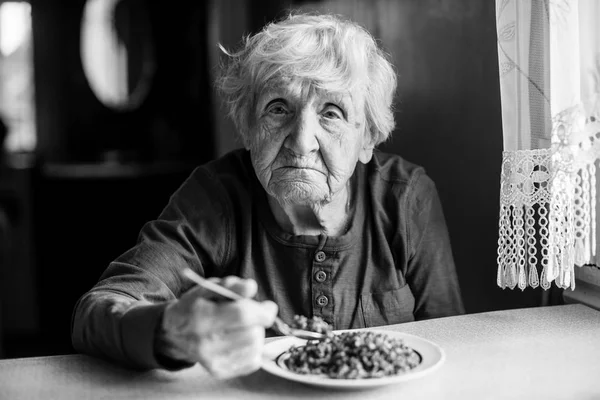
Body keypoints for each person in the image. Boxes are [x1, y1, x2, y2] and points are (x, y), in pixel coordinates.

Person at [71, 12, 464, 378]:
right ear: (247, 129)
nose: (301, 141)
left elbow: (453, 339)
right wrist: (169, 329)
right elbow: (98, 310)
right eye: (279, 108)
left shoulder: (407, 198)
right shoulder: (215, 196)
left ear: (368, 140)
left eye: (331, 112)